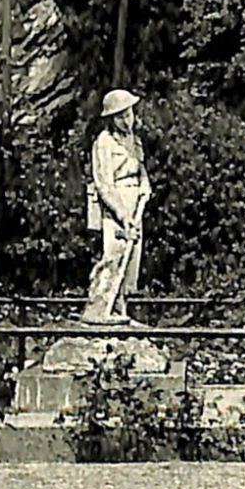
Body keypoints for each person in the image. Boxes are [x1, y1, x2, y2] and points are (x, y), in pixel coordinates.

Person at [82, 88, 151, 324]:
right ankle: (106, 308)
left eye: (129, 114)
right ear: (111, 118)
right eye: (120, 116)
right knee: (115, 256)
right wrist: (122, 214)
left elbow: (140, 169)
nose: (126, 121)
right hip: (116, 205)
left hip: (135, 201)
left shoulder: (134, 140)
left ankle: (124, 312)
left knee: (132, 260)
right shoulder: (103, 143)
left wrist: (145, 185)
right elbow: (104, 184)